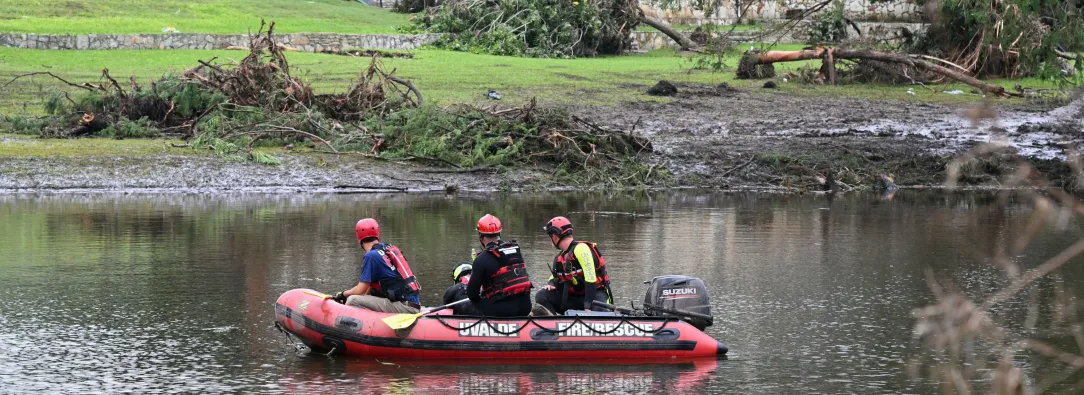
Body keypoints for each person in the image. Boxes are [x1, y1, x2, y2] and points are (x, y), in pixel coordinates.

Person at [331, 218, 421, 314]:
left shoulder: (371, 256)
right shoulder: (387, 249)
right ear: (378, 235)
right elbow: (368, 289)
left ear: (359, 239)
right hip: (412, 303)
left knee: (352, 300)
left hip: (405, 307)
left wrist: (343, 294)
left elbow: (360, 290)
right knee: (360, 297)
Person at [535, 216, 613, 315]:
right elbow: (555, 276)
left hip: (595, 296)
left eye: (551, 237)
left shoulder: (581, 248)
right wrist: (551, 284)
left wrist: (587, 306)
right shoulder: (560, 257)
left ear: (554, 237)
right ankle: (555, 324)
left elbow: (591, 277)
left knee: (598, 312)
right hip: (574, 298)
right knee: (541, 296)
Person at [466, 214, 533, 317]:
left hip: (502, 312)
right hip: (526, 308)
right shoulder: (516, 250)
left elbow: (472, 294)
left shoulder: (481, 259)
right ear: (499, 234)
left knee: (473, 302)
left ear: (480, 236)